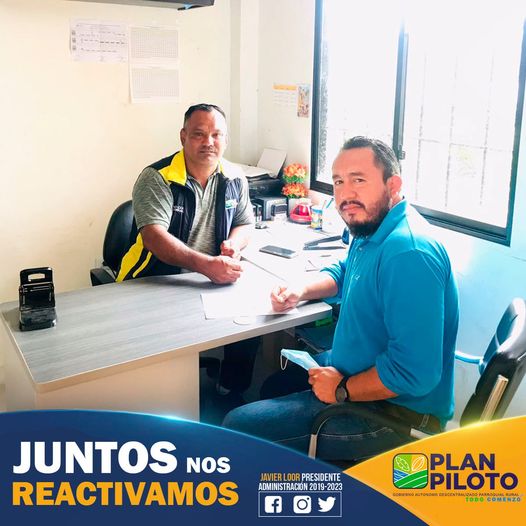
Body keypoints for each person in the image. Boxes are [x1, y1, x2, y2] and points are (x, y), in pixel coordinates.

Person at [223, 136, 459, 461]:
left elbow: (413, 373)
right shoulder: (373, 227)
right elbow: (345, 270)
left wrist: (342, 389)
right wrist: (300, 290)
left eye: (358, 180)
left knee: (235, 427)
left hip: (394, 415)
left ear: (393, 185)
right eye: (338, 182)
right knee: (274, 385)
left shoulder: (408, 253)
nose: (345, 194)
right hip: (357, 376)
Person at [116, 103, 258, 394]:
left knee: (250, 322)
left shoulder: (234, 177)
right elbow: (154, 237)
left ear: (226, 139)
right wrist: (206, 265)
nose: (209, 142)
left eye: (217, 135)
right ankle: (165, 399)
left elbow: (245, 223)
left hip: (209, 278)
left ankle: (229, 392)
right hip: (154, 278)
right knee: (161, 358)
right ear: (183, 137)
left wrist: (234, 243)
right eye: (199, 134)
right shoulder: (158, 177)